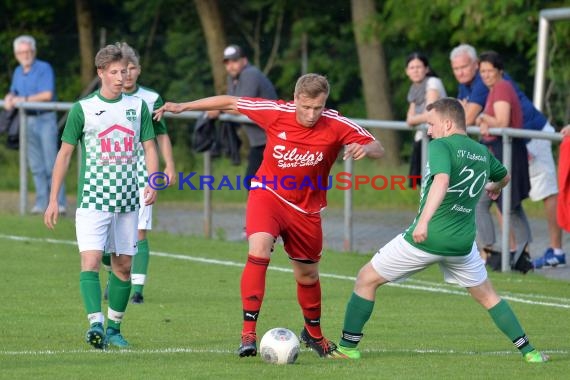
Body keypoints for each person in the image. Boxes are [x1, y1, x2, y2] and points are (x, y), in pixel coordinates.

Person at [154, 73, 384, 358]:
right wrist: (182, 107)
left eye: (318, 107)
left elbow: (378, 146)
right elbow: (230, 102)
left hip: (306, 209)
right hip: (269, 194)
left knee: (308, 275)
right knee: (259, 251)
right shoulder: (277, 112)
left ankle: (313, 335)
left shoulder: (336, 123)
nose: (312, 114)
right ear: (296, 99)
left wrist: (363, 147)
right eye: (306, 107)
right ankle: (248, 333)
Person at [335, 97, 549, 363]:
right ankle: (530, 352)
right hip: (463, 245)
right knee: (488, 296)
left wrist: (424, 222)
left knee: (366, 278)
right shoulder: (481, 152)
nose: (429, 130)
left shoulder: (441, 145)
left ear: (447, 124)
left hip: (428, 238)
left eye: (431, 124)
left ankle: (346, 348)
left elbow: (442, 181)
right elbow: (503, 176)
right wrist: (495, 187)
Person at [44, 43, 159, 349]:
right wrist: (53, 198)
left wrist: (153, 180)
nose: (121, 77)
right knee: (91, 260)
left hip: (127, 202)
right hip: (93, 200)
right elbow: (65, 154)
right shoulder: (82, 109)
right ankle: (95, 324)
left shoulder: (138, 108)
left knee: (123, 267)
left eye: (124, 71)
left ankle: (114, 329)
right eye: (114, 72)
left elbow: (150, 146)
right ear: (101, 73)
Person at [450, 43, 565, 268]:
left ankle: (556, 251)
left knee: (545, 193)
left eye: (465, 67)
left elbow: (466, 118)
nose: (461, 72)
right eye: (456, 68)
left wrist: (477, 116)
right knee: (504, 201)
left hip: (532, 136)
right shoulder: (470, 85)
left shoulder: (490, 84)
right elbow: (462, 115)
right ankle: (513, 253)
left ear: (477, 65)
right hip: (506, 145)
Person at [101, 42, 176, 305]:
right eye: (123, 69)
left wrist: (169, 166)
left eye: (132, 68)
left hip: (143, 172)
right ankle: (114, 271)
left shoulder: (151, 98)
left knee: (140, 229)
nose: (127, 74)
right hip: (111, 173)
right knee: (107, 233)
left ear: (139, 70)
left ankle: (137, 289)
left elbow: (162, 135)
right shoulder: (105, 100)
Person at [473, 51, 532, 270]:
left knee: (504, 205)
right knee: (508, 206)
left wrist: (483, 118)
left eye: (490, 71)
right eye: (483, 72)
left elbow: (502, 121)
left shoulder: (502, 88)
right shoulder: (494, 90)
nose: (486, 75)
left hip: (507, 152)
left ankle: (492, 253)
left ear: (500, 71)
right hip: (500, 151)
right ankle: (518, 255)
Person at [3, 35, 66, 214]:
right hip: (26, 120)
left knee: (51, 164)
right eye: (22, 52)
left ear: (34, 51)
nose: (26, 54)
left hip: (44, 119)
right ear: (16, 54)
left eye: (29, 51)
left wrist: (22, 99)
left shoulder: (44, 68)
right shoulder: (17, 71)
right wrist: (9, 97)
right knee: (36, 165)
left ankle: (59, 203)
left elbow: (47, 94)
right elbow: (14, 91)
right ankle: (41, 203)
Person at [207, 44, 278, 185]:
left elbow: (242, 107)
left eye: (234, 61)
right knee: (255, 183)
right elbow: (232, 104)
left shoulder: (250, 73)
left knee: (256, 183)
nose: (230, 66)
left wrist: (218, 108)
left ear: (244, 60)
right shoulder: (233, 78)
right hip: (260, 142)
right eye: (227, 62)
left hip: (272, 140)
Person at [404, 52, 447, 188]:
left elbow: (430, 113)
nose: (415, 71)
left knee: (436, 183)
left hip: (438, 138)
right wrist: (415, 119)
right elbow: (409, 117)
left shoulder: (433, 82)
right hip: (423, 138)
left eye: (419, 67)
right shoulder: (413, 88)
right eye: (412, 67)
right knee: (423, 183)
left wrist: (415, 119)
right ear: (407, 71)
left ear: (426, 69)